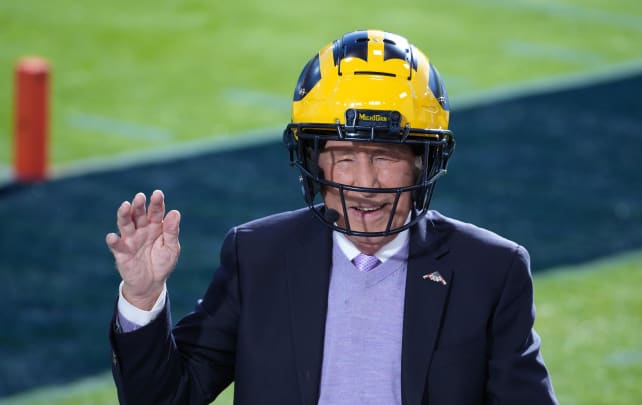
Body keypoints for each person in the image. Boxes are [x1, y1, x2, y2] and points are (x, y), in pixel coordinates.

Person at [107, 30, 558, 405]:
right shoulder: (258, 256)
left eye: (385, 156)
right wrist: (143, 297)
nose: (365, 182)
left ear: (423, 163)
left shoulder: (490, 270)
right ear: (314, 162)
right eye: (344, 157)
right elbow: (165, 399)